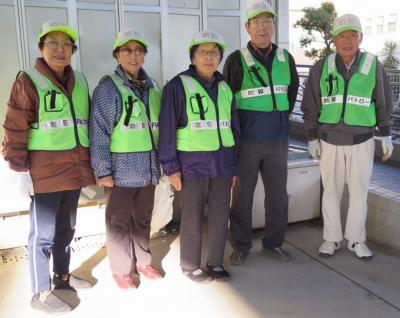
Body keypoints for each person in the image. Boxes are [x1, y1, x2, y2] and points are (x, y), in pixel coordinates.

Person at [1, 20, 95, 314]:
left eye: (66, 44)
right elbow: (15, 127)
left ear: (72, 50)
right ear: (41, 47)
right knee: (42, 235)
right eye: (53, 43)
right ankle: (40, 292)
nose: (60, 49)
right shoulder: (28, 80)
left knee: (67, 229)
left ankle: (62, 278)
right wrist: (19, 171)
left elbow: (86, 123)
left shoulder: (79, 80)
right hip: (42, 174)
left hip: (74, 170)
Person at [301, 14, 394, 259]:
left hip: (362, 140)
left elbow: (384, 101)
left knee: (359, 192)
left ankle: (356, 239)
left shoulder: (373, 64)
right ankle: (331, 239)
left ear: (360, 37)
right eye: (342, 35)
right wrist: (312, 136)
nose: (347, 40)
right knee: (330, 191)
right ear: (334, 40)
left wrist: (385, 134)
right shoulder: (322, 66)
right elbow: (311, 103)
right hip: (329, 141)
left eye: (352, 35)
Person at [158, 30, 240, 283]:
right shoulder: (177, 86)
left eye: (214, 53)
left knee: (220, 214)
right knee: (192, 215)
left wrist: (234, 166)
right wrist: (170, 166)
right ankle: (190, 265)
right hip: (191, 165)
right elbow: (167, 128)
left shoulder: (225, 87)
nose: (209, 57)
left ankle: (215, 262)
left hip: (223, 164)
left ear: (220, 58)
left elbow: (233, 128)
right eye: (203, 52)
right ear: (192, 57)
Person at [223, 0, 299, 265]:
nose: (263, 27)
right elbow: (227, 101)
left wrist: (278, 122)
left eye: (268, 21)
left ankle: (274, 243)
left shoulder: (285, 58)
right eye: (257, 22)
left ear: (275, 25)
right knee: (242, 197)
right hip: (248, 141)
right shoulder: (235, 60)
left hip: (278, 140)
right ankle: (241, 245)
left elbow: (289, 95)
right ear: (247, 27)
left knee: (278, 195)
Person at [89, 28, 163, 290]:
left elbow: (158, 127)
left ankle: (142, 261)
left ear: (144, 55)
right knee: (118, 222)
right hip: (120, 172)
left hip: (148, 169)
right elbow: (98, 131)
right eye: (127, 50)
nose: (133, 55)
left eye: (138, 50)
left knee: (142, 219)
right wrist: (103, 170)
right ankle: (121, 269)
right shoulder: (108, 88)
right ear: (117, 55)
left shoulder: (153, 86)